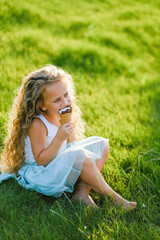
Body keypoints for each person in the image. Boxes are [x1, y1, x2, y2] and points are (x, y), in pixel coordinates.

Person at [0, 65, 137, 210]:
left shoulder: (62, 116)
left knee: (101, 144)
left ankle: (82, 193)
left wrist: (68, 136)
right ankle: (116, 199)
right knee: (80, 154)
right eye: (57, 100)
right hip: (42, 174)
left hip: (58, 165)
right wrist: (59, 138)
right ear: (43, 106)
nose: (65, 102)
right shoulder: (38, 124)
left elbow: (71, 146)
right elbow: (41, 161)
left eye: (66, 95)